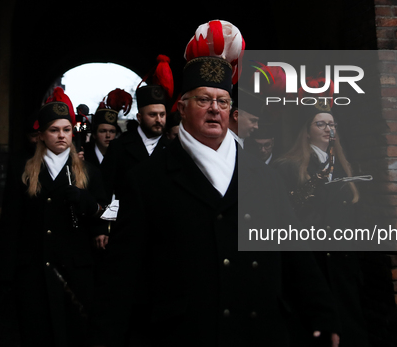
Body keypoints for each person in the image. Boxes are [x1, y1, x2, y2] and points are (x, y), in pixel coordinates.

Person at [90, 20, 341, 347]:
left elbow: (294, 251)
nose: (214, 110)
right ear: (182, 108)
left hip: (259, 331)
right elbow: (120, 278)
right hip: (185, 333)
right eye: (203, 100)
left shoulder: (264, 175)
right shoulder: (146, 181)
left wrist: (322, 313)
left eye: (222, 102)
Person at [0, 87, 108, 347]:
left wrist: (88, 203)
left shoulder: (89, 171)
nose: (61, 136)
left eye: (66, 130)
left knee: (74, 334)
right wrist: (4, 275)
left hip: (75, 273)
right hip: (34, 273)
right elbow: (11, 223)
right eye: (54, 130)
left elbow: (109, 212)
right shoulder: (22, 170)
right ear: (42, 135)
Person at [272, 102, 368, 347]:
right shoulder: (288, 167)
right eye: (321, 124)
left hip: (343, 264)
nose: (328, 129)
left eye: (332, 124)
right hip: (314, 261)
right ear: (307, 131)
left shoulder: (345, 165)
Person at [100, 55, 173, 202]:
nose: (159, 120)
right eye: (152, 115)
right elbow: (104, 189)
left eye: (162, 114)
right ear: (139, 117)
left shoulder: (174, 148)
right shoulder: (119, 147)